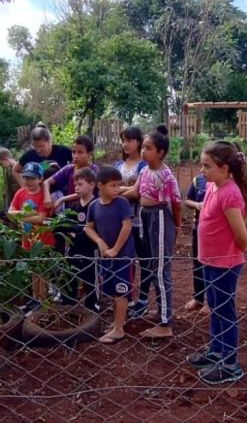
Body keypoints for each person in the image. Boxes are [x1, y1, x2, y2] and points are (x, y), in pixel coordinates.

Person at [187, 141, 247, 385]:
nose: (202, 171)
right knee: (215, 308)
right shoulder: (215, 186)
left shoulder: (230, 193)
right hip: (210, 260)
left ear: (224, 168)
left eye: (207, 166)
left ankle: (230, 364)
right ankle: (216, 351)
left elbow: (241, 235)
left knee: (225, 312)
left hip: (225, 264)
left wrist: (243, 245)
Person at [123, 125, 182, 339]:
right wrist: (114, 191)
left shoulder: (166, 176)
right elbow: (135, 191)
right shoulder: (145, 171)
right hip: (146, 217)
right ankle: (161, 311)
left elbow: (176, 203)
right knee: (150, 265)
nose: (143, 151)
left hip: (159, 217)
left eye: (148, 148)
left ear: (161, 152)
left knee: (159, 269)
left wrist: (177, 225)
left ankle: (166, 323)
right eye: (143, 147)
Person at [84, 166, 136, 344]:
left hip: (123, 257)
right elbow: (88, 228)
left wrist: (115, 249)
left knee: (121, 292)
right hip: (106, 257)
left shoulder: (122, 203)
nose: (117, 189)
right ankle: (117, 322)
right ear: (100, 185)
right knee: (112, 291)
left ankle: (119, 329)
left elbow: (127, 226)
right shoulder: (94, 206)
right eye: (113, 186)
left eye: (118, 185)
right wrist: (99, 241)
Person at [8, 162, 55, 314]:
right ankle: (36, 299)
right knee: (34, 270)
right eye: (26, 177)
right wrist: (30, 216)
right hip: (27, 238)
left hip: (43, 239)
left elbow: (41, 218)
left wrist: (21, 216)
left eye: (32, 178)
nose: (29, 181)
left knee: (43, 271)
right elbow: (10, 213)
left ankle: (43, 300)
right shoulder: (20, 193)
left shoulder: (44, 195)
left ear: (40, 179)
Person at [54, 168, 99, 311]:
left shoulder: (97, 205)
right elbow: (63, 226)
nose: (77, 188)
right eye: (76, 185)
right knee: (69, 276)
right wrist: (75, 230)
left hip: (91, 250)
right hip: (73, 249)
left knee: (91, 280)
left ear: (92, 185)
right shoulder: (74, 206)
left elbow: (92, 230)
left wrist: (76, 230)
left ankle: (93, 308)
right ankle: (68, 305)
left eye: (80, 184)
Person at [113, 126, 147, 308]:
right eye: (123, 140)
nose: (125, 144)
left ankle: (142, 299)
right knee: (126, 259)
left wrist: (117, 192)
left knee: (143, 258)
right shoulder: (118, 166)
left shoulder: (143, 166)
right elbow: (125, 189)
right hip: (120, 221)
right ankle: (128, 296)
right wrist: (129, 189)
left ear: (138, 142)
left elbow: (139, 193)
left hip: (139, 221)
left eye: (129, 140)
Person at [43, 135, 98, 208]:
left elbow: (84, 192)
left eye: (80, 152)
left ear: (89, 154)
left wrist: (62, 199)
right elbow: (46, 182)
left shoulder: (94, 170)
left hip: (88, 209)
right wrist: (47, 196)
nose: (76, 156)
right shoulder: (68, 169)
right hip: (70, 210)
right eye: (73, 152)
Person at [12, 123, 73, 187]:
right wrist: (24, 187)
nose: (38, 150)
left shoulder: (63, 151)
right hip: (39, 194)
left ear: (49, 141)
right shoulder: (29, 154)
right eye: (35, 146)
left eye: (41, 146)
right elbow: (15, 170)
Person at [183, 173, 209, 314]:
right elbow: (187, 200)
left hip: (215, 229)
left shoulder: (224, 180)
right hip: (199, 227)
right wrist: (198, 205)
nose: (203, 169)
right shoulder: (198, 180)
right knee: (197, 262)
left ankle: (210, 301)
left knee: (212, 264)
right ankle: (198, 298)